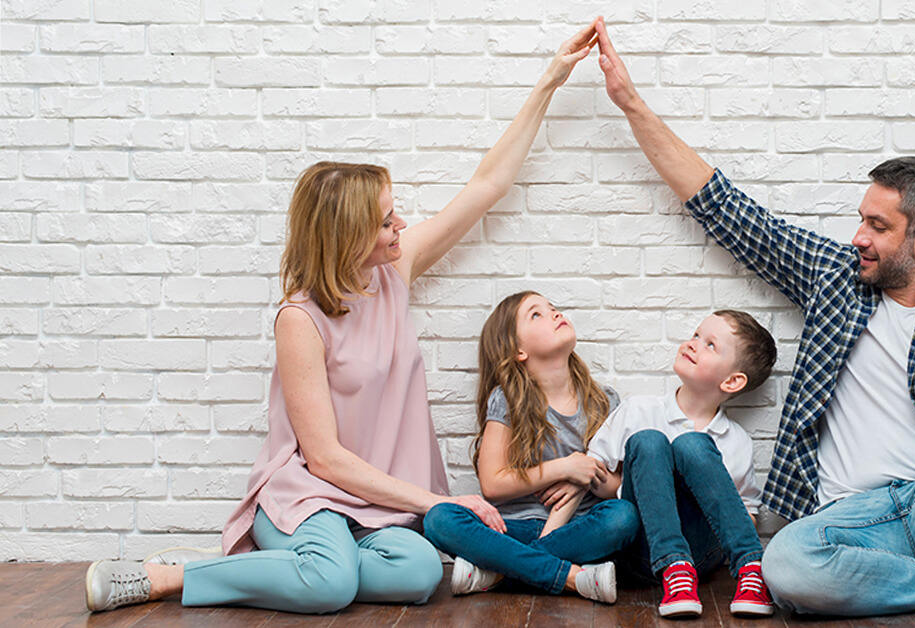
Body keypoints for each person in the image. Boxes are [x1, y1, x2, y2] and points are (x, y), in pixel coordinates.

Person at [82, 22, 601, 614]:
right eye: (384, 221)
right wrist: (434, 503)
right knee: (330, 586)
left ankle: (310, 568)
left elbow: (487, 184)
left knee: (415, 575)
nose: (400, 226)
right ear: (346, 236)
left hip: (381, 501)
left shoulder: (394, 274)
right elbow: (324, 457)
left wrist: (549, 82)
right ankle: (174, 576)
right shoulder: (299, 320)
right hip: (313, 495)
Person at [591, 18, 915, 628]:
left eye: (878, 226)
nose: (858, 237)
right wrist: (630, 103)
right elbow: (726, 208)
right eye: (861, 220)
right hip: (851, 521)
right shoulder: (834, 276)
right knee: (788, 568)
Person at [422, 291, 639, 603]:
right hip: (515, 528)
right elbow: (493, 485)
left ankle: (499, 573)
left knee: (623, 516)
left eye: (552, 308)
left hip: (578, 530)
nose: (554, 313)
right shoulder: (506, 400)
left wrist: (590, 473)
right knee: (439, 518)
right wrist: (565, 466)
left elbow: (618, 488)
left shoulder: (605, 401)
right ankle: (571, 577)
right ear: (518, 350)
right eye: (536, 314)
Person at [586, 310, 777, 618]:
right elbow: (594, 470)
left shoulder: (736, 440)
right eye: (696, 335)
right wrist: (640, 486)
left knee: (693, 445)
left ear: (732, 381)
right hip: (641, 550)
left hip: (702, 554)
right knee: (649, 441)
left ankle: (751, 570)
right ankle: (674, 567)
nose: (693, 344)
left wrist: (709, 500)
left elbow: (748, 513)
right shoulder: (639, 410)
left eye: (710, 345)